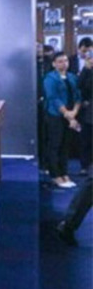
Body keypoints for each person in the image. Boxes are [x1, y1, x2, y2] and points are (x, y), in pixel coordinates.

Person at [43, 51, 81, 188]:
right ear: (54, 64)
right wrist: (67, 113)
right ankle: (55, 174)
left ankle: (64, 173)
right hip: (56, 115)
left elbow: (78, 95)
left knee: (66, 145)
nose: (64, 64)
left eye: (66, 61)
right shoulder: (50, 78)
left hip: (71, 114)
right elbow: (53, 98)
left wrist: (74, 112)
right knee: (55, 145)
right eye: (60, 61)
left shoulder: (72, 77)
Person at [78, 49, 93, 172]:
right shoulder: (87, 70)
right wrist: (86, 69)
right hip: (88, 110)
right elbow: (79, 86)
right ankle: (84, 166)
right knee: (86, 140)